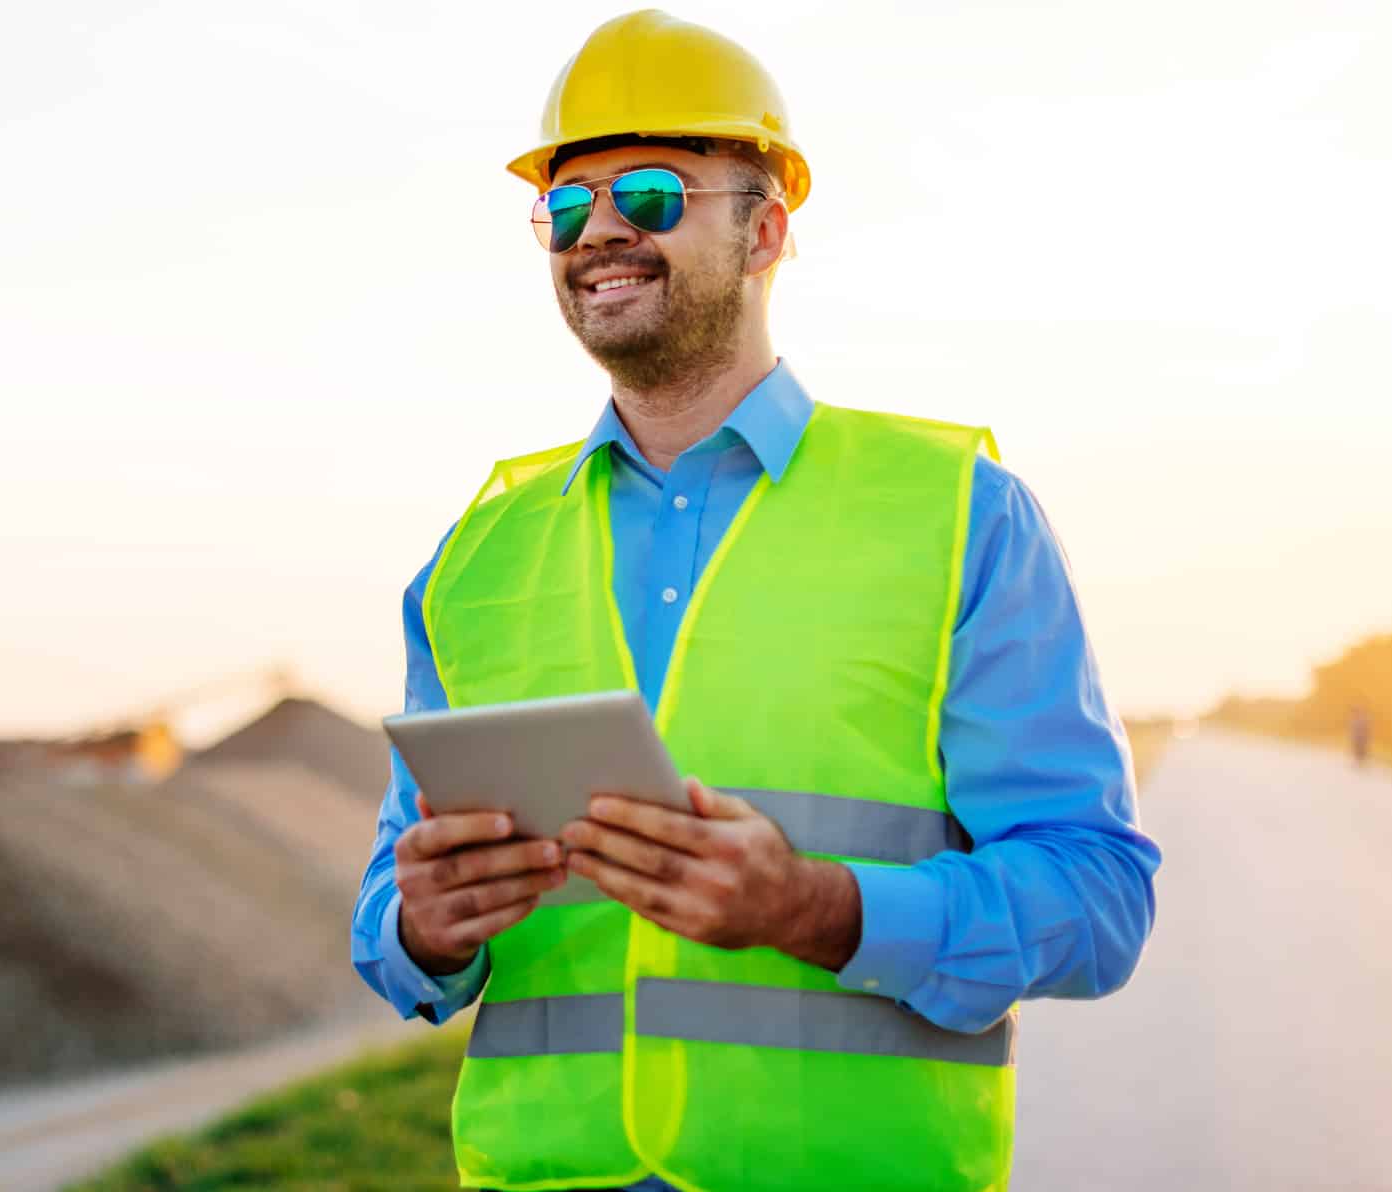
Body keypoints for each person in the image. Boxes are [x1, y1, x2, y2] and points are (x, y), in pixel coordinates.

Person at [349, 12, 1161, 1192]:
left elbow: (1096, 895)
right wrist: (422, 925)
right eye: (565, 208)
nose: (600, 232)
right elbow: (390, 911)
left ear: (765, 229)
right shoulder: (476, 558)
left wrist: (820, 907)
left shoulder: (957, 515)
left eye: (650, 194)